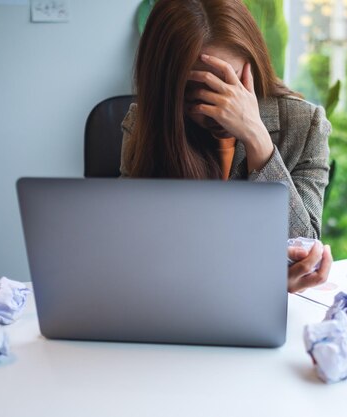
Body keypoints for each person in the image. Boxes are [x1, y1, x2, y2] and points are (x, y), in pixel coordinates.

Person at [120, 0, 332, 292]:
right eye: (196, 91)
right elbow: (129, 248)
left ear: (253, 67)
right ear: (166, 87)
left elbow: (303, 250)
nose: (217, 108)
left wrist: (258, 139)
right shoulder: (145, 125)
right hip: (171, 299)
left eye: (227, 86)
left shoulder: (304, 125)